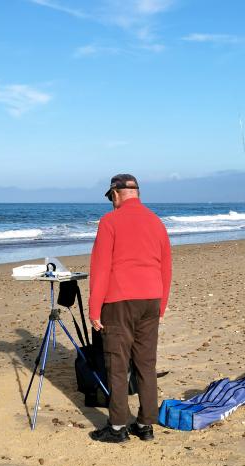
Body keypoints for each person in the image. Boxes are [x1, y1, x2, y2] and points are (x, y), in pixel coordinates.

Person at [89, 173, 172, 443]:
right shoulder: (156, 221)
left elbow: (101, 268)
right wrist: (162, 304)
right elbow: (166, 267)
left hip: (119, 300)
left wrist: (94, 308)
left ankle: (117, 427)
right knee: (146, 364)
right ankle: (146, 425)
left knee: (117, 364)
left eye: (110, 197)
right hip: (151, 298)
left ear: (115, 194)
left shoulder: (110, 221)